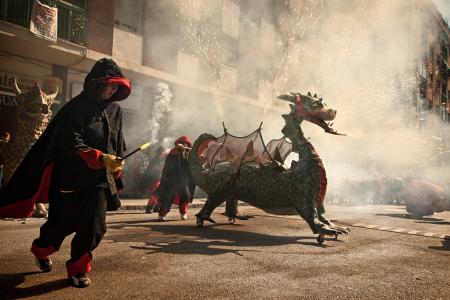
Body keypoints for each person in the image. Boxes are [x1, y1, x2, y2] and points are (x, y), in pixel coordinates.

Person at [0, 58, 131, 288]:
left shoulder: (116, 110)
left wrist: (117, 163)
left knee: (95, 227)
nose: (113, 90)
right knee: (60, 225)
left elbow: (117, 141)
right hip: (70, 179)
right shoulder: (75, 107)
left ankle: (78, 269)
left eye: (117, 87)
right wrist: (97, 157)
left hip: (99, 181)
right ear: (96, 83)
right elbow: (69, 139)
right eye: (111, 84)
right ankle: (41, 249)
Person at [155, 136, 196, 221]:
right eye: (181, 143)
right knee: (168, 197)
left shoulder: (188, 153)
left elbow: (192, 164)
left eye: (185, 144)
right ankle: (161, 214)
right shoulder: (172, 153)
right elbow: (167, 168)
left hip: (183, 181)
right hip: (171, 180)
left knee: (186, 195)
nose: (183, 145)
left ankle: (183, 212)